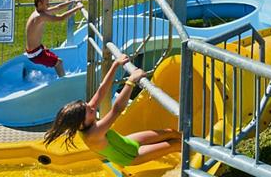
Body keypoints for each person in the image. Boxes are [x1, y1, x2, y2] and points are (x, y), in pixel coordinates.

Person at [44, 55, 181, 166]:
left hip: (126, 142)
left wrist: (115, 64)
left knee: (170, 132)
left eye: (88, 105)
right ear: (80, 122)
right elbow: (117, 109)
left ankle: (187, 140)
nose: (92, 107)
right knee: (175, 145)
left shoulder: (85, 117)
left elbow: (102, 89)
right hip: (132, 156)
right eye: (90, 110)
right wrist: (131, 81)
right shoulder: (93, 134)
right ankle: (193, 159)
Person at [25, 0, 83, 77]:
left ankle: (60, 78)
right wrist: (77, 8)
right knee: (59, 62)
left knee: (57, 60)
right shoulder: (39, 16)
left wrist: (72, 2)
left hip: (36, 51)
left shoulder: (40, 12)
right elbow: (61, 18)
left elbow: (58, 7)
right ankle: (63, 81)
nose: (49, 6)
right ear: (40, 4)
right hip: (36, 54)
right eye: (47, 3)